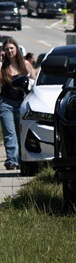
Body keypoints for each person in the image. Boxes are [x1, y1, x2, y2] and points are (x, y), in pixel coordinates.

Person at [0, 36, 33, 171]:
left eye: (11, 48)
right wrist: (1, 62)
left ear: (16, 49)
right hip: (6, 103)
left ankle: (22, 159)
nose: (9, 51)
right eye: (6, 49)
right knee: (9, 132)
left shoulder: (24, 64)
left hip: (22, 103)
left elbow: (34, 81)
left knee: (21, 133)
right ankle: (12, 160)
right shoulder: (3, 66)